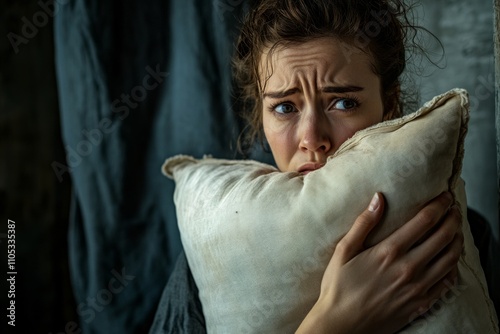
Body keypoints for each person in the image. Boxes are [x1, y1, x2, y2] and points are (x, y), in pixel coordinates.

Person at [150, 0, 464, 332]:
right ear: (261, 117)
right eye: (285, 107)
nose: (312, 138)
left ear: (389, 107)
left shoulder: (449, 233)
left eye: (343, 103)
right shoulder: (216, 253)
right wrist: (335, 322)